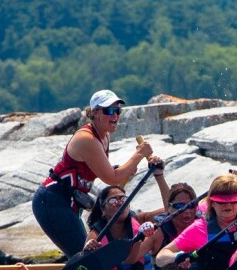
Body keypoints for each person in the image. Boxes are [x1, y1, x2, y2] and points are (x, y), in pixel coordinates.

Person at [33, 90, 153, 258]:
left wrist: (128, 170)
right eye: (109, 111)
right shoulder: (87, 139)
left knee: (85, 253)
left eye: (117, 111)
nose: (115, 116)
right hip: (51, 200)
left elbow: (114, 179)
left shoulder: (104, 137)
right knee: (84, 256)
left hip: (71, 202)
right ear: (95, 113)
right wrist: (139, 154)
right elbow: (111, 177)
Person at [155, 173, 237, 270]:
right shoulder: (199, 228)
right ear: (212, 203)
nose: (228, 205)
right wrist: (178, 256)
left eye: (233, 202)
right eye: (222, 202)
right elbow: (160, 258)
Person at [81, 185, 157, 270]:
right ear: (103, 210)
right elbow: (85, 267)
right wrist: (88, 250)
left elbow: (169, 210)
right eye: (113, 200)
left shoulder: (139, 221)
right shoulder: (96, 235)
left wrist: (159, 176)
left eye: (123, 198)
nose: (120, 203)